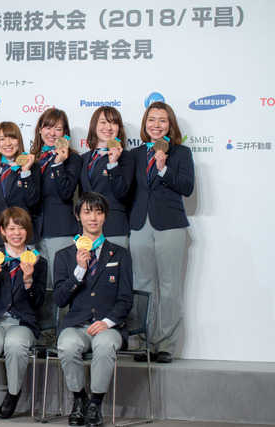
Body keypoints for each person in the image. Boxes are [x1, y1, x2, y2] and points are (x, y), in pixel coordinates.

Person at [53, 192, 133, 427]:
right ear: (78, 216)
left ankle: (95, 404)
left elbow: (126, 299)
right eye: (87, 212)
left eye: (98, 212)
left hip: (109, 325)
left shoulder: (121, 254)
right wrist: (79, 270)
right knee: (67, 346)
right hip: (77, 324)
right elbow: (59, 299)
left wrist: (107, 322)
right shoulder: (64, 256)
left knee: (105, 344)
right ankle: (79, 400)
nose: (93, 218)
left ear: (105, 216)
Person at [129, 101, 194, 364]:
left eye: (162, 120)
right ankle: (144, 343)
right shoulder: (135, 154)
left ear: (170, 125)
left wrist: (163, 168)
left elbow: (187, 187)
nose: (156, 125)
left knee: (169, 287)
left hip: (169, 225)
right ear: (145, 124)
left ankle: (166, 344)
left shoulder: (181, 152)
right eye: (151, 120)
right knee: (142, 286)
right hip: (139, 225)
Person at [0, 207, 47, 419]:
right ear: (3, 231)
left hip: (22, 322)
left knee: (16, 345)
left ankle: (13, 394)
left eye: (22, 228)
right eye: (12, 228)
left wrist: (28, 280)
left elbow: (39, 302)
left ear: (28, 231)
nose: (17, 233)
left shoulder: (38, 262)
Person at [30, 108, 81, 287]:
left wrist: (58, 164)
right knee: (39, 286)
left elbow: (66, 193)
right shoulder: (32, 159)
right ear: (39, 129)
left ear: (64, 133)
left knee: (61, 284)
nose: (52, 133)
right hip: (34, 232)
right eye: (47, 127)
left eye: (57, 129)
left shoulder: (73, 159)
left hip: (60, 230)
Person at [0, 122, 40, 259]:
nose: (8, 143)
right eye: (2, 139)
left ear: (19, 141)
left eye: (12, 138)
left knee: (25, 279)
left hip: (23, 236)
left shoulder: (32, 168)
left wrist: (25, 171)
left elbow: (33, 202)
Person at [79, 106, 134, 248]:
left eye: (113, 123)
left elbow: (122, 193)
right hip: (87, 231)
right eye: (103, 122)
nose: (108, 127)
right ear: (94, 126)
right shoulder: (84, 158)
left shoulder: (126, 157)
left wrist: (113, 164)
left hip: (114, 227)